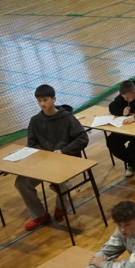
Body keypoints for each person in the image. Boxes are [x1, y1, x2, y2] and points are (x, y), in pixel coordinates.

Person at [17, 84, 89, 231]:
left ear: (54, 99)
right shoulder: (35, 120)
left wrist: (63, 151)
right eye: (39, 101)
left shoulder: (67, 118)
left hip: (65, 161)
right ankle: (40, 215)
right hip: (44, 162)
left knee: (61, 184)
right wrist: (44, 154)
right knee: (21, 182)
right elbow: (32, 143)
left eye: (45, 100)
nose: (42, 104)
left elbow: (82, 138)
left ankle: (61, 205)